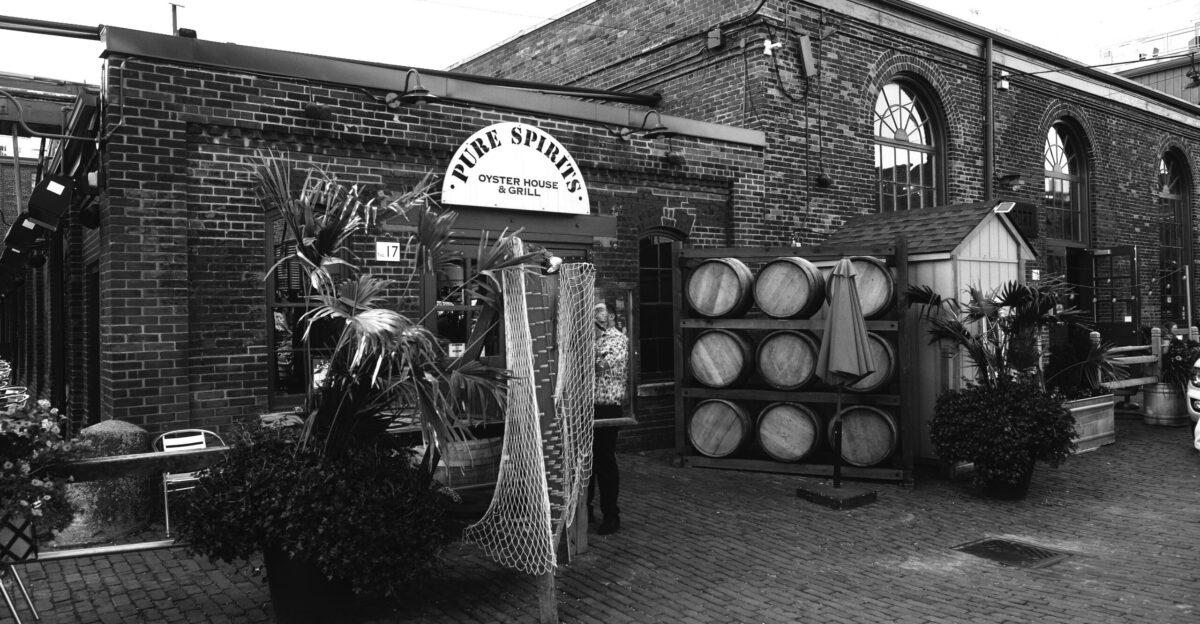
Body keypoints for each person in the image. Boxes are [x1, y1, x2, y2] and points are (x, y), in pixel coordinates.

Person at [590, 302, 628, 535]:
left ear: (612, 316)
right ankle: (586, 510)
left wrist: (589, 343)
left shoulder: (617, 340)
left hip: (608, 407)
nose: (595, 316)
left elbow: (600, 365)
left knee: (605, 461)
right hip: (589, 405)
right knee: (587, 460)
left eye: (599, 311)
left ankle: (611, 515)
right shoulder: (594, 339)